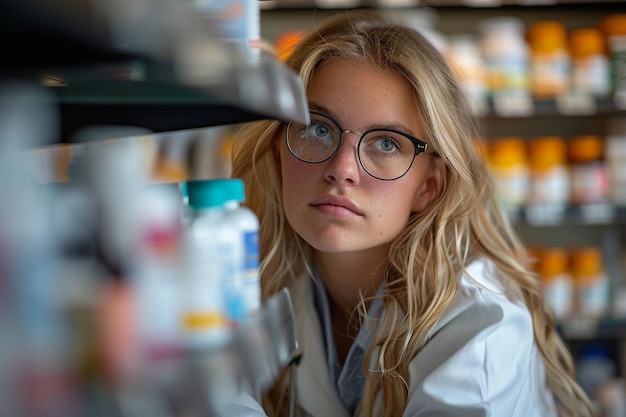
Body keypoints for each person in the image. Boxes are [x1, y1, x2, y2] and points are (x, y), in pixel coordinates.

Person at [228, 9, 596, 417]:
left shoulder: (478, 325)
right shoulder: (254, 281)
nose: (342, 170)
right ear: (279, 151)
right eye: (317, 129)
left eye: (386, 144)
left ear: (428, 187)